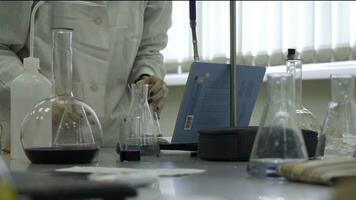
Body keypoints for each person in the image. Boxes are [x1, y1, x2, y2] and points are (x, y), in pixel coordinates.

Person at [0, 1, 171, 149]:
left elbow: (151, 47)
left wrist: (146, 78)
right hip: (42, 139)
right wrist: (40, 101)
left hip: (120, 139)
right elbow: (2, 48)